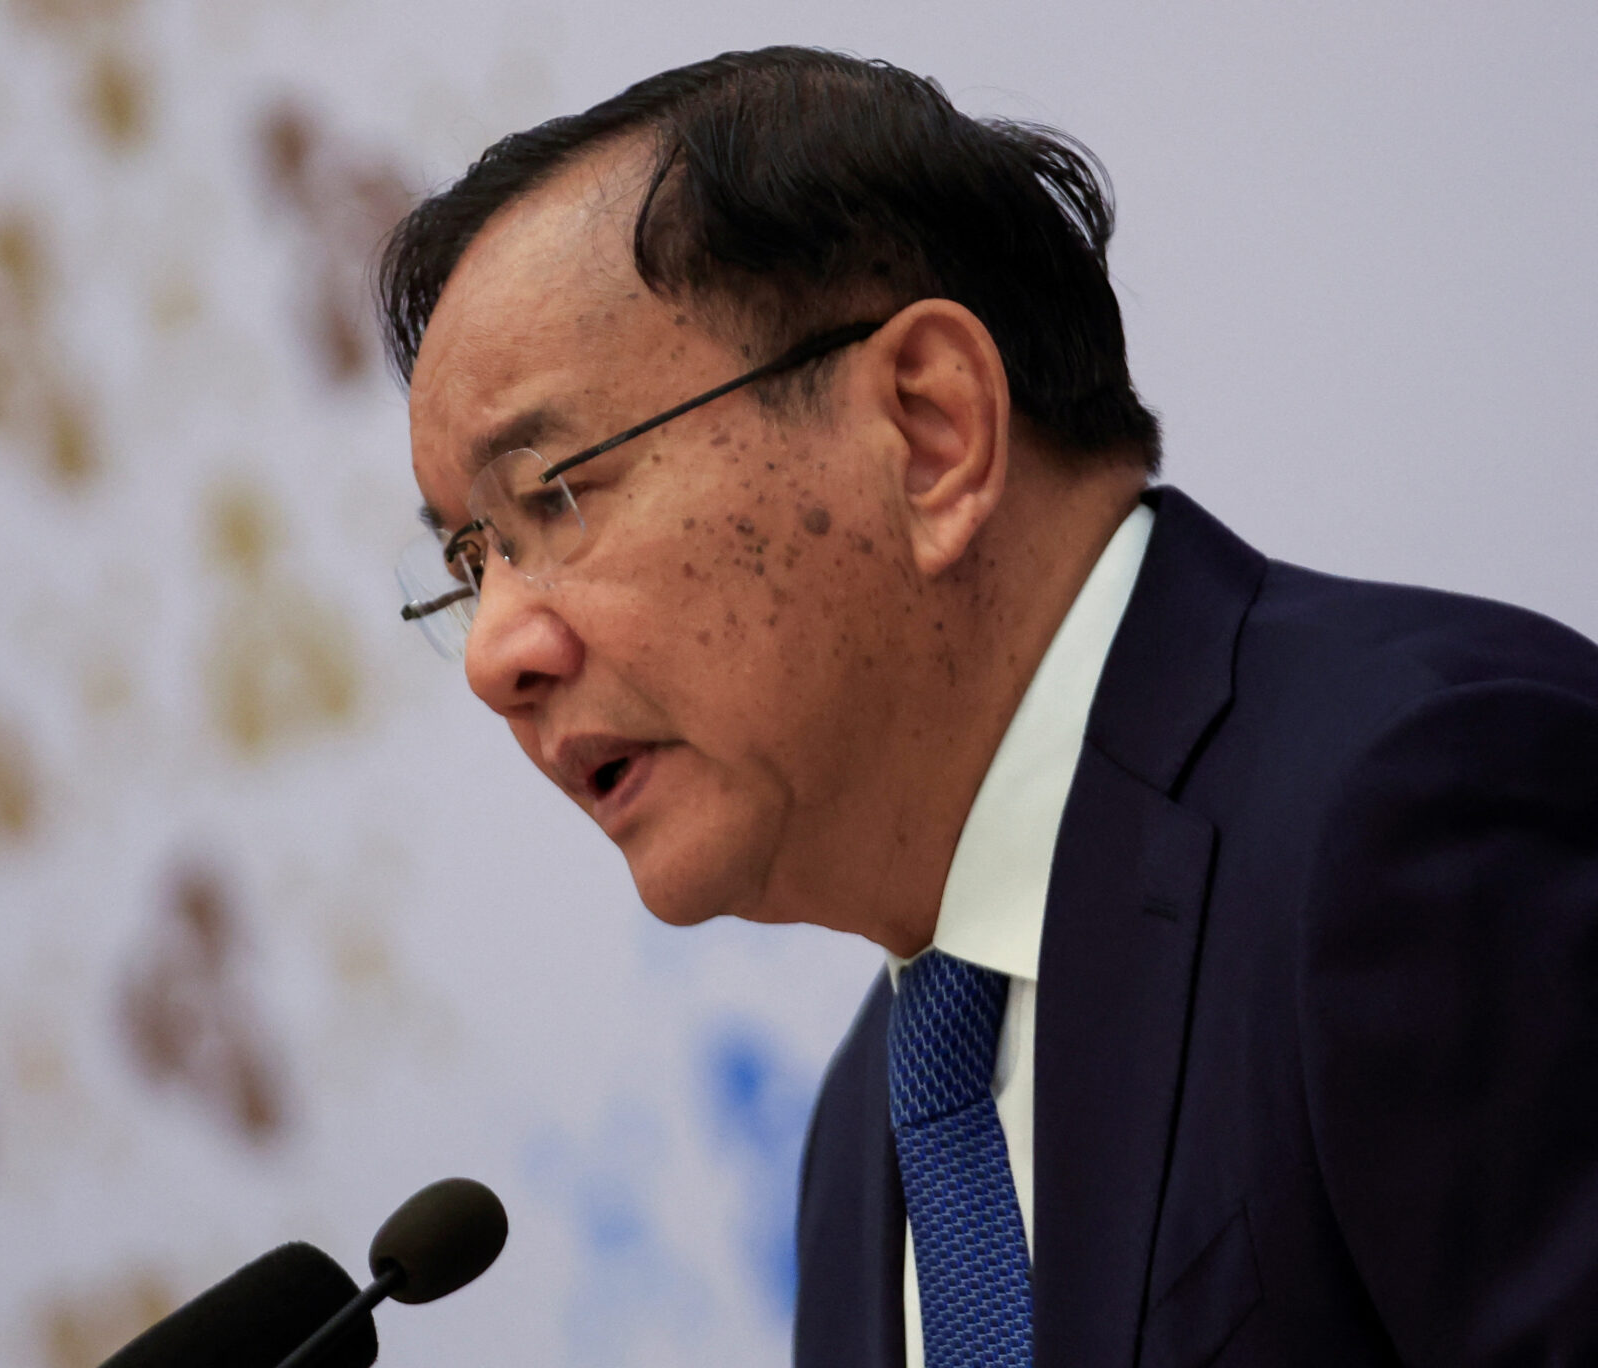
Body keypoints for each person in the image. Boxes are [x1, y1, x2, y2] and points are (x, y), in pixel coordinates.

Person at [377, 46, 1598, 1367]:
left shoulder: (1409, 818)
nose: (496, 654)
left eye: (553, 494)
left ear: (930, 429)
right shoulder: (867, 1137)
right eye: (469, 565)